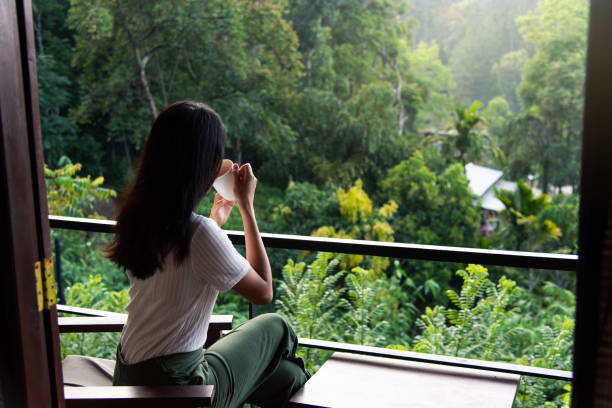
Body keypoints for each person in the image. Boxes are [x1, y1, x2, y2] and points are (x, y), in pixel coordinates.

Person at [104, 100, 309, 407]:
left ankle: (290, 377)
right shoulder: (199, 234)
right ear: (202, 166)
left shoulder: (139, 217)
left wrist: (216, 223)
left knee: (287, 377)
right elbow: (264, 292)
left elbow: (181, 267)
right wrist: (246, 206)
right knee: (277, 326)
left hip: (130, 379)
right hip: (180, 389)